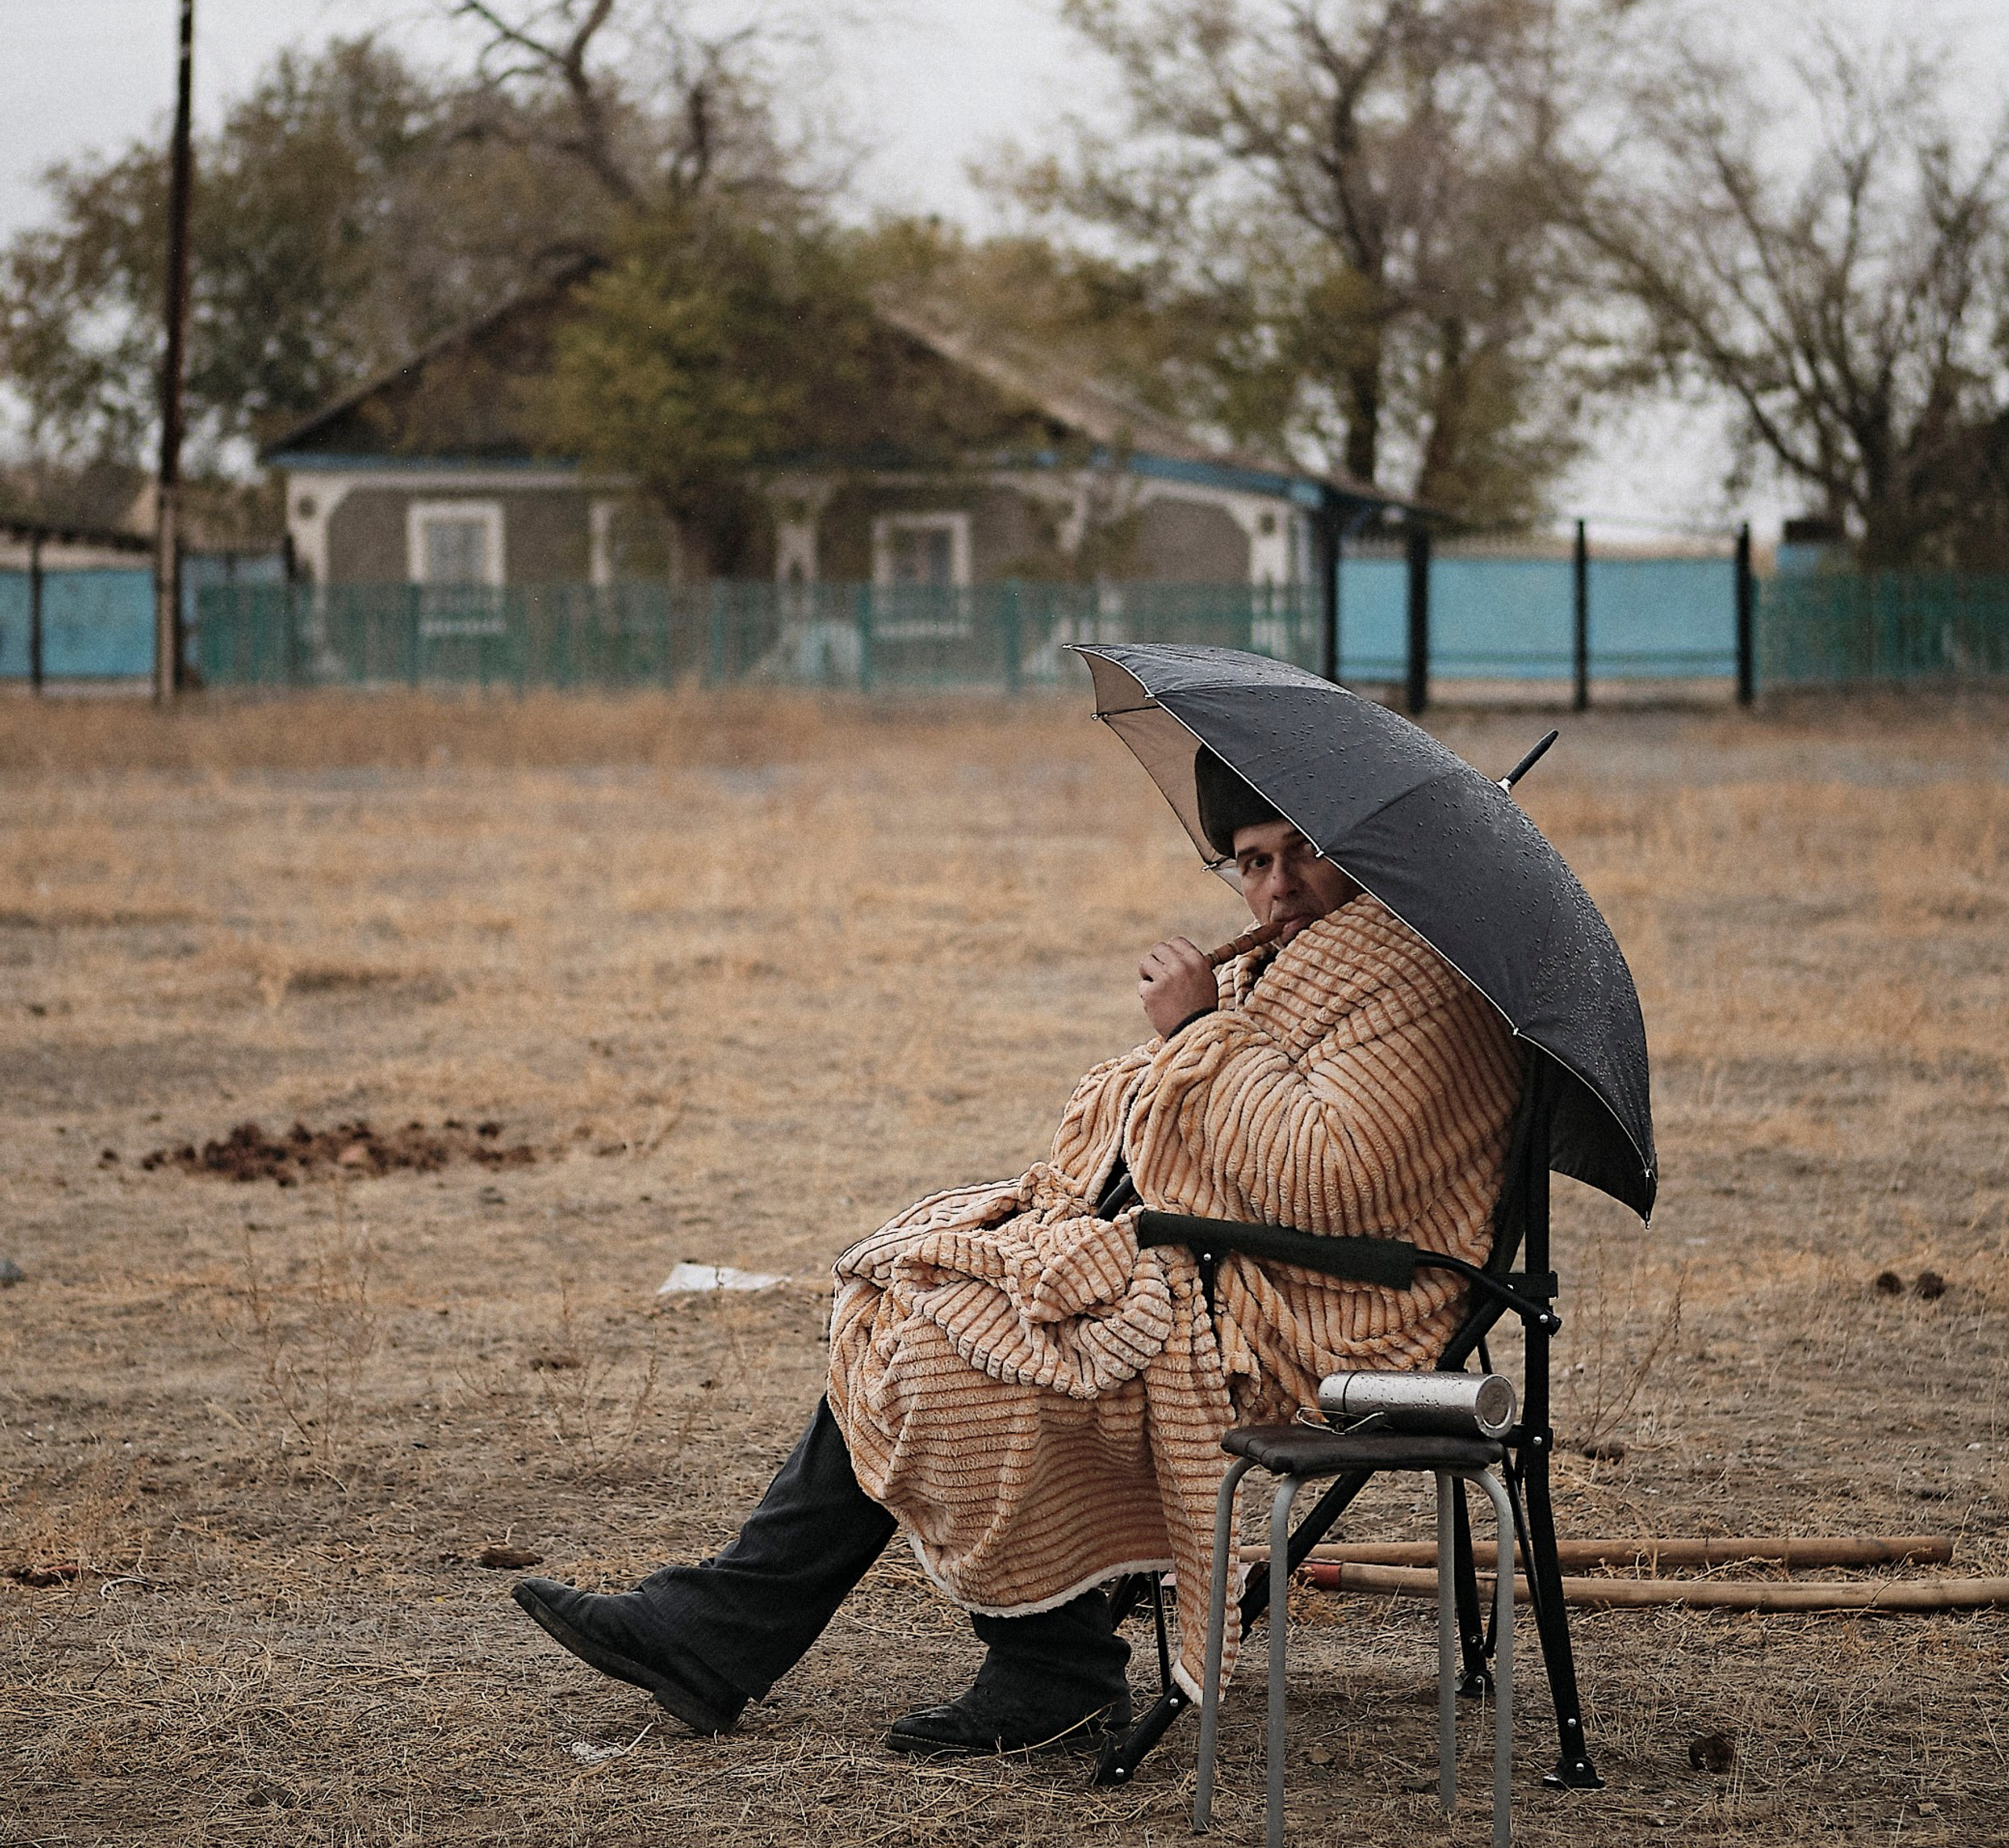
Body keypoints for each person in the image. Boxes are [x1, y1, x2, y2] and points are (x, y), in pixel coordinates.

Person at [512, 749, 1520, 1756]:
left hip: (1320, 1309)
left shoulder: (1417, 985)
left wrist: (1201, 1032)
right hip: (1222, 1263)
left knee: (976, 1339)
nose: (1278, 886)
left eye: (1305, 853)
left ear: (1364, 854)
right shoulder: (1312, 965)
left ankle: (1048, 1673)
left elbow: (1326, 1179)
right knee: (919, 1286)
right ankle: (718, 1634)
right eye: (1252, 863)